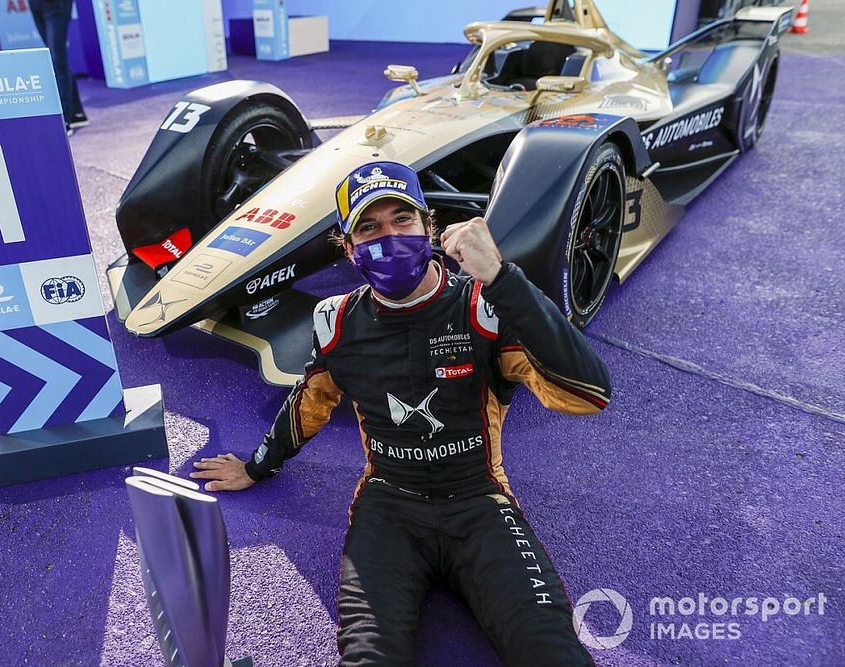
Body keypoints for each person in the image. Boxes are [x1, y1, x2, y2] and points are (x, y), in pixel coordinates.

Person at [191, 160, 610, 665]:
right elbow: (311, 402)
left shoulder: (483, 305)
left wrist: (503, 278)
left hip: (480, 505)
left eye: (402, 219)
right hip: (388, 509)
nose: (389, 237)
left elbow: (589, 394)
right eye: (369, 227)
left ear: (430, 227)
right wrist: (257, 464)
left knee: (552, 652)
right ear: (348, 250)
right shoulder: (337, 320)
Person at [30, 0, 88, 134]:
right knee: (55, 58)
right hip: (36, 4)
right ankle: (76, 112)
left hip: (57, 5)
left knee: (57, 59)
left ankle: (64, 119)